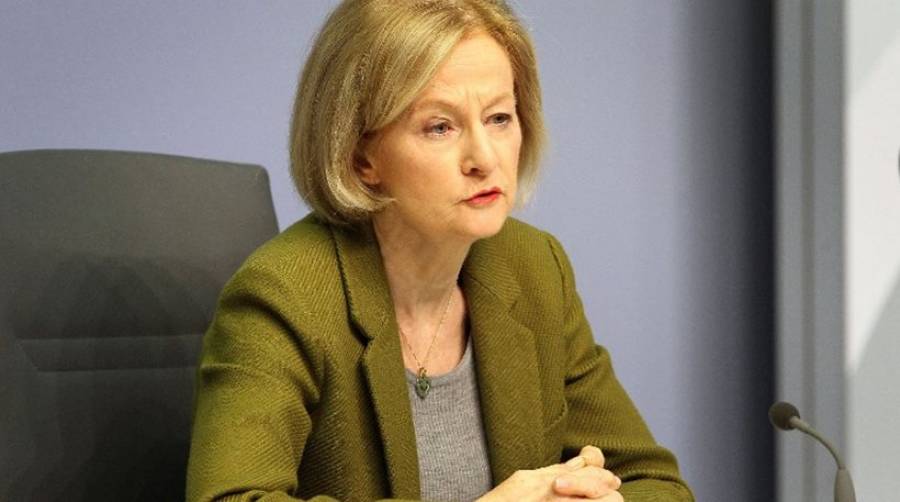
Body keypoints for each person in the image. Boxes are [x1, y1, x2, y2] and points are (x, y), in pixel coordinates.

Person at [186, 1, 694, 501]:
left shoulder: (534, 267)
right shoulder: (285, 295)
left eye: (499, 118)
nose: (484, 158)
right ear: (361, 156)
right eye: (440, 127)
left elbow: (655, 484)